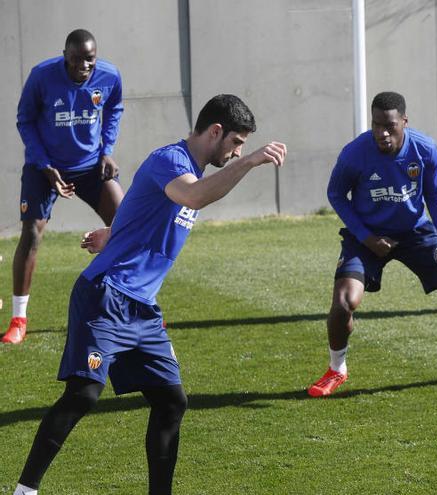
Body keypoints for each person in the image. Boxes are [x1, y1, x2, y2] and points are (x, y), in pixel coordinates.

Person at [11, 95, 287, 495]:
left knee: (172, 401)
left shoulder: (189, 169)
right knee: (84, 394)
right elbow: (193, 197)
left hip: (142, 309)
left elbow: (149, 204)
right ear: (215, 132)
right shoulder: (172, 161)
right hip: (106, 296)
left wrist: (114, 233)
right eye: (235, 143)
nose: (237, 151)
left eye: (242, 147)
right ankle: (25, 491)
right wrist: (252, 161)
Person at [308, 91, 437, 397]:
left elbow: (435, 196)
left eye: (390, 125)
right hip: (366, 234)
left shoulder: (424, 149)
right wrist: (366, 236)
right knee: (343, 304)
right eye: (376, 124)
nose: (382, 132)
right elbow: (336, 194)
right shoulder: (354, 153)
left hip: (415, 232)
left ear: (404, 122)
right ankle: (336, 369)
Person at [3, 29, 125, 345]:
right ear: (64, 56)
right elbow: (24, 120)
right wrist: (44, 166)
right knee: (31, 234)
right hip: (45, 167)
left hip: (90, 166)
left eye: (89, 59)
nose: (83, 66)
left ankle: (135, 307)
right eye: (75, 60)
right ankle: (19, 320)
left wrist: (107, 149)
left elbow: (114, 108)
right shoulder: (42, 76)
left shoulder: (109, 75)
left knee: (127, 225)